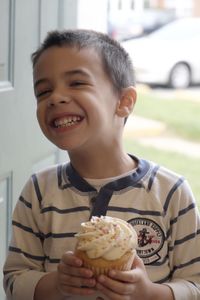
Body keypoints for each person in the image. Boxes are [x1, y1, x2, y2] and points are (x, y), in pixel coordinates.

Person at [3, 29, 200, 300]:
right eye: (43, 90)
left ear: (124, 102)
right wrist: (56, 284)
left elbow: (195, 285)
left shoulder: (171, 192)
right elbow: (14, 280)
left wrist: (149, 293)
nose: (56, 97)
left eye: (77, 83)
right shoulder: (38, 191)